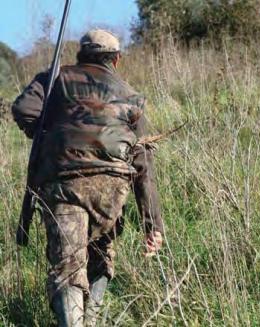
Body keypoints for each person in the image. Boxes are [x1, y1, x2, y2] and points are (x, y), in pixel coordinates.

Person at [11, 29, 163, 326]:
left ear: (80, 56)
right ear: (116, 60)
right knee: (101, 255)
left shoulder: (55, 77)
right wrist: (152, 224)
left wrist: (48, 137)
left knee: (68, 265)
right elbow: (143, 164)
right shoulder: (132, 97)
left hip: (64, 185)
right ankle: (90, 318)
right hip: (111, 191)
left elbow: (24, 109)